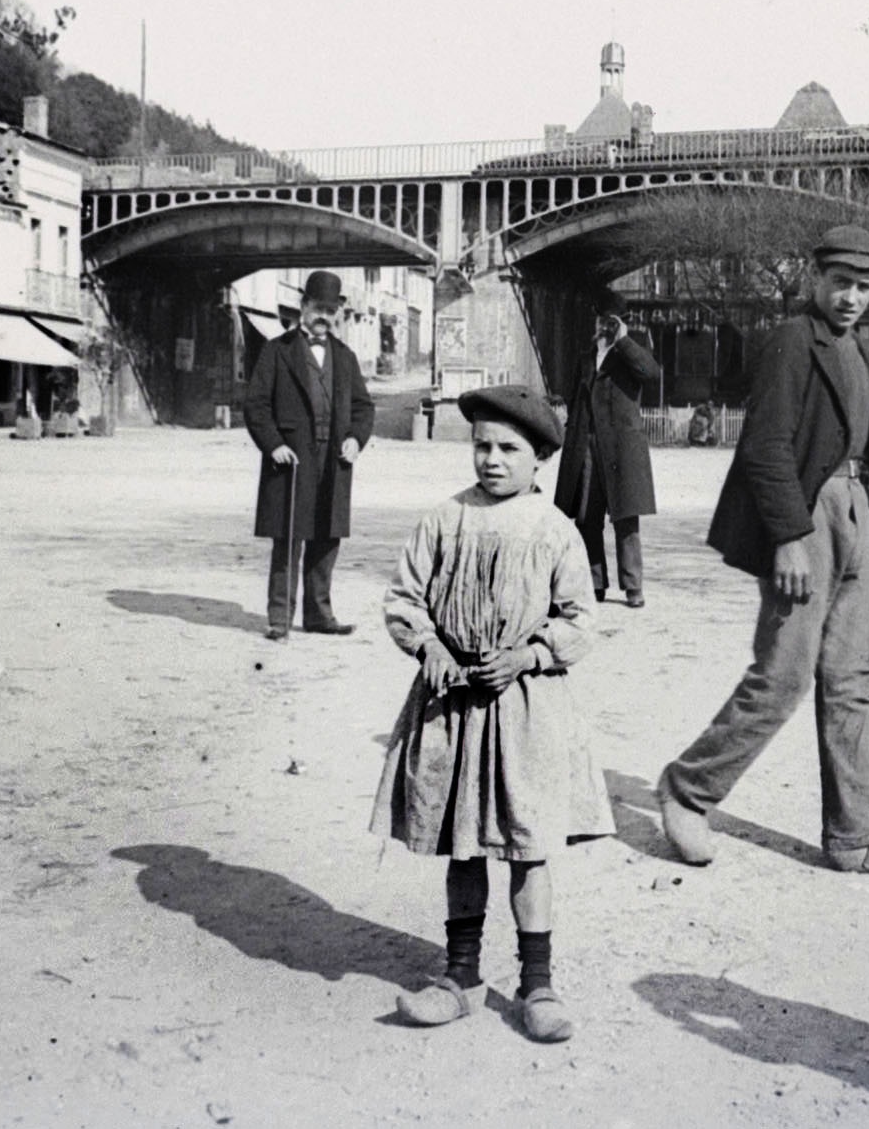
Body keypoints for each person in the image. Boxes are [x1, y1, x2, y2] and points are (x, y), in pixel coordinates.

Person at [656, 224, 869, 874]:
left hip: (854, 513)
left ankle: (858, 837)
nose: (851, 298)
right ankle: (687, 790)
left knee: (857, 676)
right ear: (816, 279)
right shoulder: (792, 339)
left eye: (864, 286)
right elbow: (765, 445)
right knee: (783, 675)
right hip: (806, 517)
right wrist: (788, 537)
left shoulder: (853, 348)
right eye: (840, 283)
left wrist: (863, 522)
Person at [371, 384, 614, 1044]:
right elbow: (404, 598)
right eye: (482, 446)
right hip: (453, 707)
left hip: (525, 710)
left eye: (509, 448)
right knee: (464, 845)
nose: (492, 460)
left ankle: (538, 984)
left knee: (528, 848)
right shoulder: (444, 520)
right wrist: (428, 646)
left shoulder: (554, 530)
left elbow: (580, 619)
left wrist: (531, 654)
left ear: (540, 459)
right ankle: (461, 976)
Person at [242, 270, 375, 640]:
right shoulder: (276, 351)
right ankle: (279, 619)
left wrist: (355, 439)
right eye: (318, 308)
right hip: (291, 461)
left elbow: (363, 407)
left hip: (334, 461)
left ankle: (319, 615)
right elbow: (256, 405)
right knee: (288, 538)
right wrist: (274, 445)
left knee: (326, 538)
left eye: (330, 311)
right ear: (303, 306)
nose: (324, 317)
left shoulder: (345, 357)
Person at [553, 289, 659, 608]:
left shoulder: (632, 349)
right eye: (601, 320)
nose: (604, 326)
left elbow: (651, 373)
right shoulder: (587, 354)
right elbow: (574, 395)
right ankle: (595, 583)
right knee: (587, 515)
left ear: (621, 322)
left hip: (621, 446)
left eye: (610, 321)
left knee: (625, 516)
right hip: (586, 442)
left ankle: (633, 587)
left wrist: (623, 341)